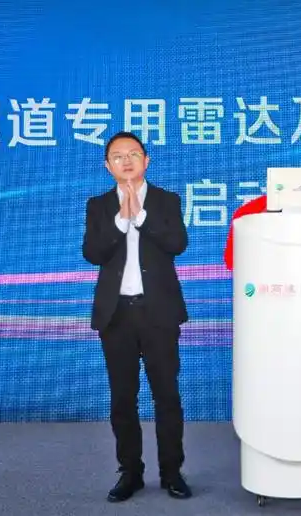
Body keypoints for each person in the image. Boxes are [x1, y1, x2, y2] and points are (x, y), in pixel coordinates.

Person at [82, 131, 193, 503]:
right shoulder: (99, 206)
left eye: (133, 154)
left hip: (158, 313)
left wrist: (141, 216)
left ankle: (172, 472)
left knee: (166, 396)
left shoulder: (166, 200)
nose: (126, 161)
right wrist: (120, 221)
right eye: (118, 156)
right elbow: (92, 253)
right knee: (122, 399)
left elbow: (177, 243)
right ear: (108, 166)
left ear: (146, 161)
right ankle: (130, 472)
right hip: (116, 315)